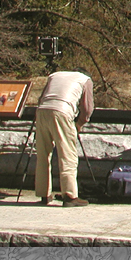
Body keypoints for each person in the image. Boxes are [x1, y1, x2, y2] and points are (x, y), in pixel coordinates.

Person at [34, 69, 94, 207]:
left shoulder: (54, 75)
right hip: (62, 111)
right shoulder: (85, 80)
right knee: (68, 156)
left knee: (43, 155)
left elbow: (41, 97)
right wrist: (79, 124)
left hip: (42, 110)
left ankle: (44, 194)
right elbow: (87, 108)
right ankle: (70, 196)